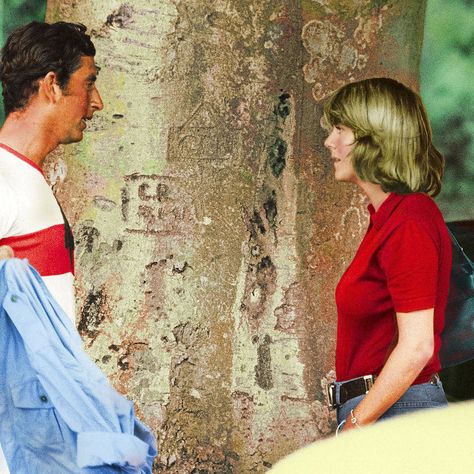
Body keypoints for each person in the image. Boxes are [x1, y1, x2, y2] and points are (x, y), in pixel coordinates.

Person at [0, 21, 103, 472]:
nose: (96, 103)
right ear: (51, 87)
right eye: (89, 84)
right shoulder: (4, 178)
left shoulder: (21, 175)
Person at [321, 77, 451, 431]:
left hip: (398, 412)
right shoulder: (387, 218)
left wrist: (355, 424)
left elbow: (417, 347)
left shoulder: (409, 220)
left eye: (341, 129)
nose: (329, 141)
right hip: (386, 408)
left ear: (375, 138)